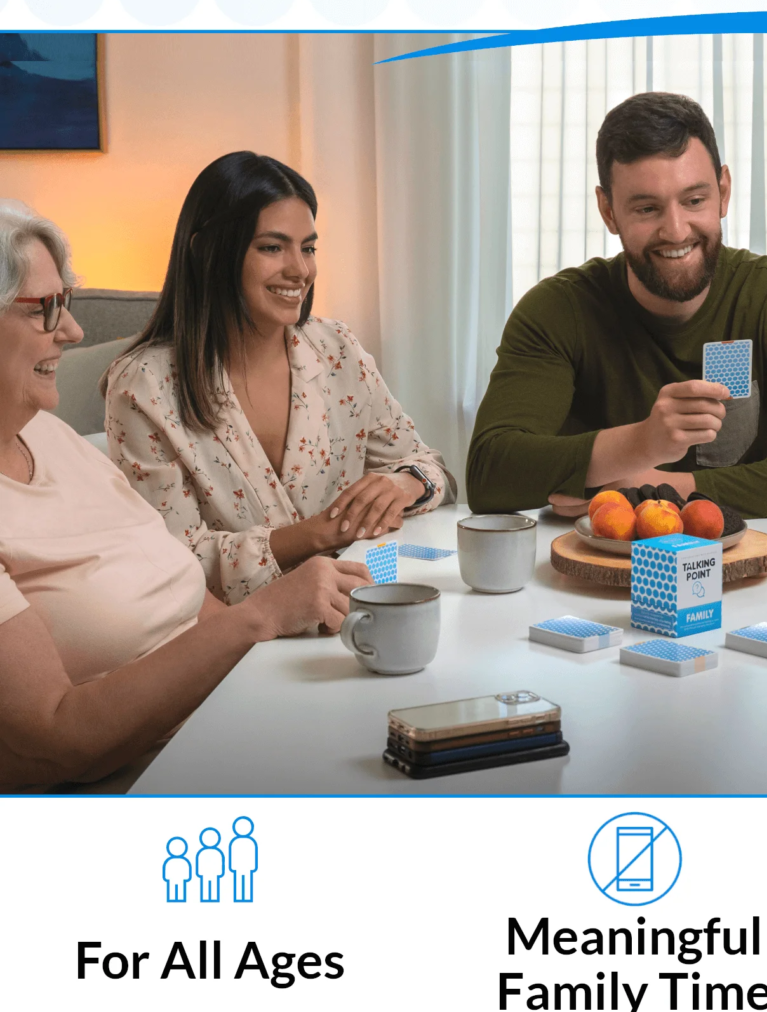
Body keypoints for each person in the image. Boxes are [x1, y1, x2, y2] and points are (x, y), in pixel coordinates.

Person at [0, 201, 370, 792]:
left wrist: (280, 667)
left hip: (218, 717)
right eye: (46, 309)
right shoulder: (145, 383)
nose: (71, 331)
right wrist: (263, 616)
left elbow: (184, 592)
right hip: (141, 779)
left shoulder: (49, 435)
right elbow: (53, 744)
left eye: (66, 302)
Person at [466, 92, 767, 518]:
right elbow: (491, 473)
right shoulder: (557, 310)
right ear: (608, 211)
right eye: (647, 208)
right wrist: (642, 442)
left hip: (745, 560)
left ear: (724, 191)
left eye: (694, 200)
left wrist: (668, 488)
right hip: (594, 566)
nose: (676, 230)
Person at [106, 152, 454, 605]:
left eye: (308, 247)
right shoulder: (143, 387)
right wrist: (315, 534)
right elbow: (172, 561)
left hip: (362, 607)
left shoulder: (337, 348)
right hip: (235, 638)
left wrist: (401, 485)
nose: (300, 269)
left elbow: (430, 466)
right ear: (206, 252)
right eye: (272, 247)